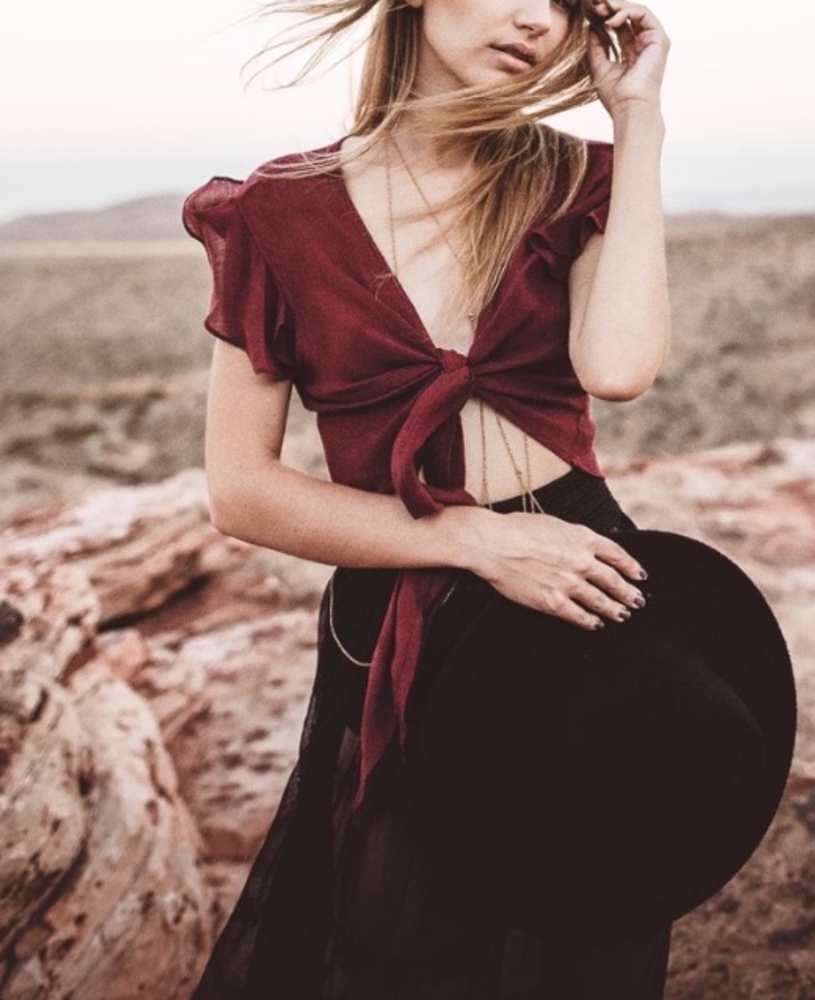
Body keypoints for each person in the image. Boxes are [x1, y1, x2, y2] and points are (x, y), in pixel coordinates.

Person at [183, 0, 671, 993]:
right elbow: (240, 489)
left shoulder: (576, 177)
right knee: (397, 940)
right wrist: (475, 543)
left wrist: (640, 123)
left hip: (585, 588)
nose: (536, 19)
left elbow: (618, 366)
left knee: (590, 932)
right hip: (406, 603)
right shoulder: (276, 213)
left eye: (567, 3)